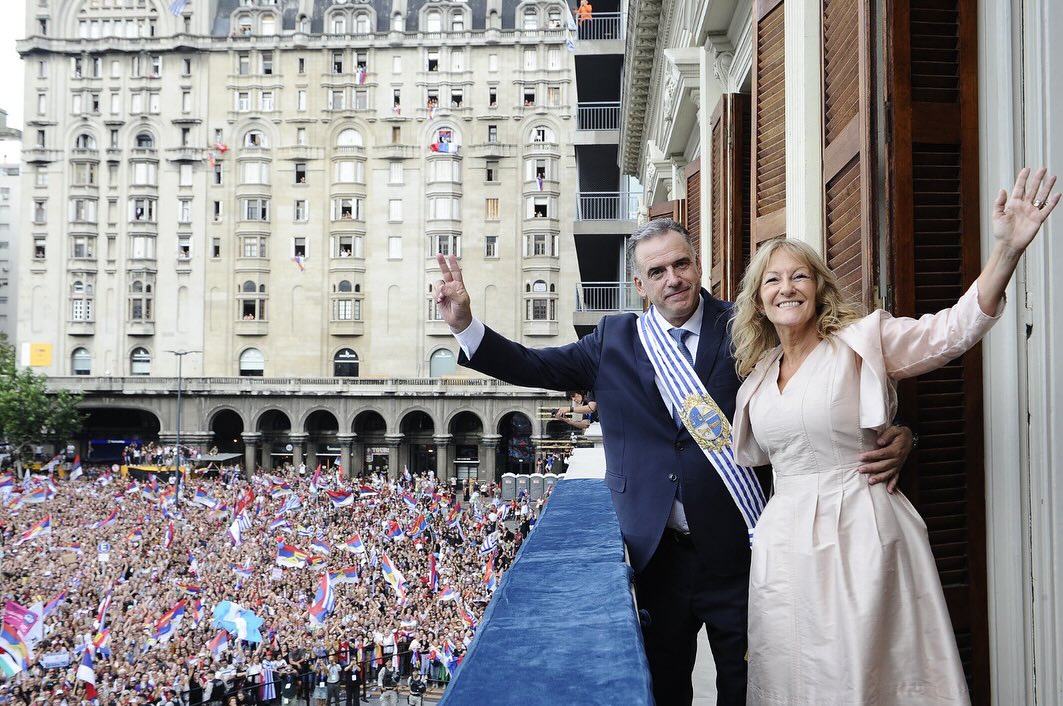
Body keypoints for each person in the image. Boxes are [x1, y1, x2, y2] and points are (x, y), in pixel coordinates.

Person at [433, 218, 912, 705]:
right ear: (639, 285)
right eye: (657, 271)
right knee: (663, 688)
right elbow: (532, 364)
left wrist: (905, 431)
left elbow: (836, 376)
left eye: (681, 264)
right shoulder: (612, 339)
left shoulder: (749, 326)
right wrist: (465, 325)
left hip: (741, 549)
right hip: (656, 555)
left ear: (698, 265)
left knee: (749, 687)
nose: (673, 279)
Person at [730, 167, 1058, 704]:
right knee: (789, 677)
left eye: (799, 276)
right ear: (758, 301)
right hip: (783, 545)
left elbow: (952, 331)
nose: (786, 287)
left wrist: (1007, 251)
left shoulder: (864, 341)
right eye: (772, 279)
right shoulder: (759, 373)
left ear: (819, 288)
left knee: (860, 673)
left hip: (859, 531)